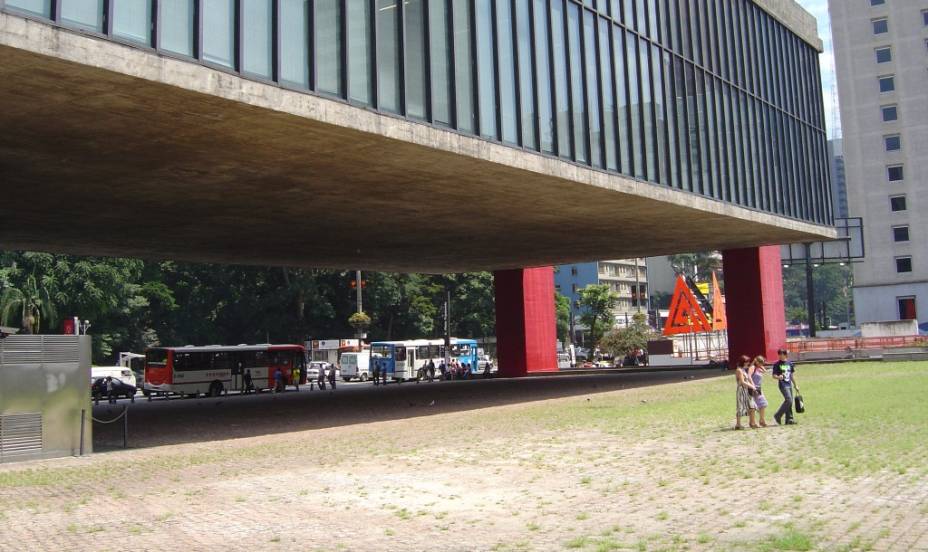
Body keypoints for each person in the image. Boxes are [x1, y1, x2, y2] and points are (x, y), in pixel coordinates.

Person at [772, 349, 798, 425]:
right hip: (783, 385)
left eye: (781, 354)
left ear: (785, 354)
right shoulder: (776, 364)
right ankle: (777, 415)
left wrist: (795, 385)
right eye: (779, 354)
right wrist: (778, 377)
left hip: (789, 384)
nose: (780, 355)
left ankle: (789, 419)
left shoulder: (789, 363)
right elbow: (773, 375)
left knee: (789, 402)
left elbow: (791, 376)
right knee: (789, 400)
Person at [733, 355, 758, 430]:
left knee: (752, 406)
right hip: (741, 391)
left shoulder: (744, 369)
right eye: (746, 362)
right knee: (740, 407)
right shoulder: (739, 370)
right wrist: (752, 387)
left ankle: (752, 423)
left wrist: (752, 386)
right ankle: (738, 425)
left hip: (747, 390)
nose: (748, 363)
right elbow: (742, 382)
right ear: (742, 362)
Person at [749, 356, 769, 427]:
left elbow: (765, 371)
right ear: (757, 362)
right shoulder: (752, 368)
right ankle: (752, 423)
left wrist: (761, 365)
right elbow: (749, 376)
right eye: (761, 363)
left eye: (762, 363)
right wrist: (753, 386)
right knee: (753, 406)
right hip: (752, 388)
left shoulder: (759, 368)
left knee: (763, 404)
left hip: (759, 389)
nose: (762, 364)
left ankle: (761, 420)